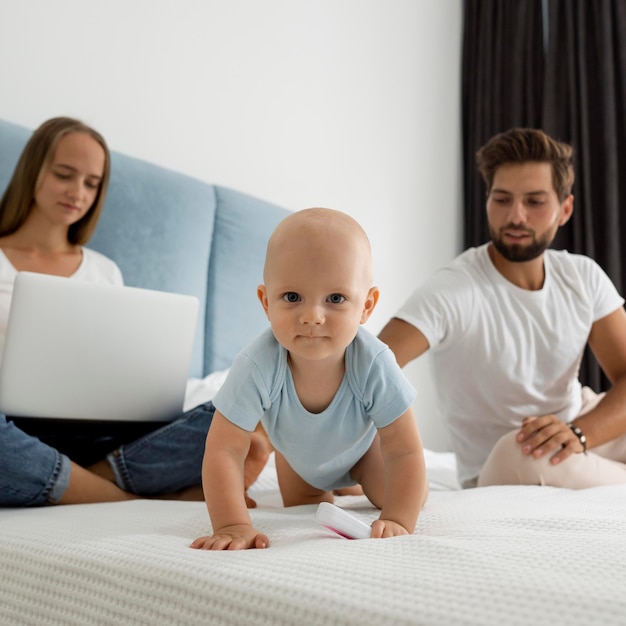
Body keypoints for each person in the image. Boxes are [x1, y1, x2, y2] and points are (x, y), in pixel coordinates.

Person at [0, 116, 270, 507]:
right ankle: (120, 494)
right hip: (13, 429)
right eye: (64, 175)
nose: (77, 192)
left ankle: (81, 484)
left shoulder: (103, 271)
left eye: (92, 184)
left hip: (98, 433)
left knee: (232, 418)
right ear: (33, 171)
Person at [378, 127, 626, 490]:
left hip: (579, 427)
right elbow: (368, 367)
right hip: (511, 460)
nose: (516, 216)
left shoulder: (582, 276)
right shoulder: (454, 289)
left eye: (535, 201)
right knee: (518, 450)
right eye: (503, 199)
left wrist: (579, 432)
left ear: (564, 209)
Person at [191, 207, 428, 551]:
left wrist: (398, 520)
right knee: (307, 510)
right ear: (266, 302)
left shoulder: (374, 362)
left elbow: (405, 449)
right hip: (298, 462)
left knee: (404, 496)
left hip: (365, 454)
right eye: (292, 297)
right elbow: (224, 451)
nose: (312, 316)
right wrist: (232, 524)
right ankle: (336, 489)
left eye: (335, 299)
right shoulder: (256, 366)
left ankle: (355, 485)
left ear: (367, 305)